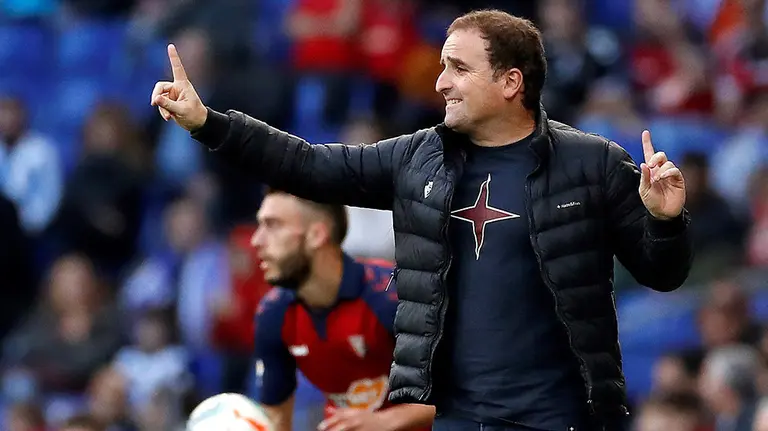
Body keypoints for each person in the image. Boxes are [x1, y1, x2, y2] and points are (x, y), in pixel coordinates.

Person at [150, 9, 693, 431]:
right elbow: (307, 165)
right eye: (441, 67)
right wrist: (207, 123)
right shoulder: (415, 158)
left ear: (510, 83)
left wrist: (665, 221)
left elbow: (663, 274)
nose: (439, 83)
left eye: (458, 68)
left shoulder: (593, 163)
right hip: (452, 418)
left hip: (562, 417)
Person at [249, 189, 434, 431]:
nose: (256, 240)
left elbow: (471, 392)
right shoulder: (273, 314)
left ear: (317, 234)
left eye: (273, 225)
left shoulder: (392, 296)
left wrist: (383, 422)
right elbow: (275, 422)